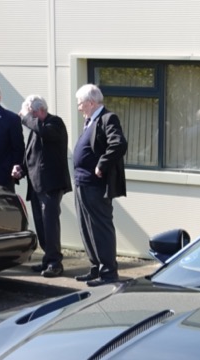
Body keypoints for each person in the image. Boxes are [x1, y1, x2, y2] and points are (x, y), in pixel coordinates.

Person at [71, 83, 128, 284]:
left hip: (96, 185)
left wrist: (102, 164)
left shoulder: (107, 118)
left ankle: (108, 272)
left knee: (100, 227)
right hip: (82, 183)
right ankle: (96, 267)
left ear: (91, 102)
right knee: (86, 227)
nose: (79, 107)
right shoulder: (90, 121)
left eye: (80, 103)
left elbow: (119, 143)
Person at [11, 95, 71, 277]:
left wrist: (26, 117)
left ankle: (55, 263)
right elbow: (32, 155)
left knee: (50, 224)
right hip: (36, 185)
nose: (27, 118)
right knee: (41, 224)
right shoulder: (36, 128)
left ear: (40, 111)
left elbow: (44, 132)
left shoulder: (55, 123)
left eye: (31, 114)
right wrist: (20, 169)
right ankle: (48, 259)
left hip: (51, 184)